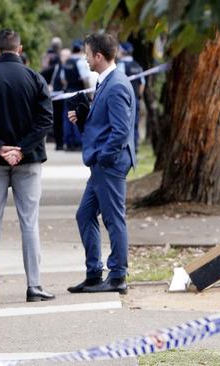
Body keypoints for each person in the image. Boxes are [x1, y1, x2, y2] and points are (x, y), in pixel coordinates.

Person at [0, 29, 55, 304]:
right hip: (27, 160)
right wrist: (22, 148)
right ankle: (34, 286)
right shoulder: (34, 78)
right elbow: (45, 119)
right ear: (20, 49)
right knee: (29, 223)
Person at [67, 33, 136, 295]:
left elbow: (120, 132)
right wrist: (85, 117)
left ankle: (118, 275)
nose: (84, 58)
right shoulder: (105, 82)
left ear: (98, 55)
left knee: (113, 219)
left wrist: (103, 157)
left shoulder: (116, 84)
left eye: (87, 54)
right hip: (101, 164)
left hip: (109, 164)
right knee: (84, 215)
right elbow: (105, 123)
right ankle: (94, 274)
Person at [61, 40, 91, 151]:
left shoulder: (67, 62)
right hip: (79, 92)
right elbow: (85, 79)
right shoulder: (81, 62)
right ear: (81, 49)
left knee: (67, 118)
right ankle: (78, 143)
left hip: (68, 91)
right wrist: (88, 92)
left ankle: (68, 143)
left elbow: (63, 79)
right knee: (78, 116)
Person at [117, 42, 145, 154]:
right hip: (135, 99)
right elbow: (142, 83)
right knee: (135, 123)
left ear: (123, 51)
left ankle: (125, 147)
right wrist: (138, 96)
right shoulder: (138, 66)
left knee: (122, 123)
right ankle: (135, 145)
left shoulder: (121, 65)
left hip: (124, 99)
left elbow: (119, 82)